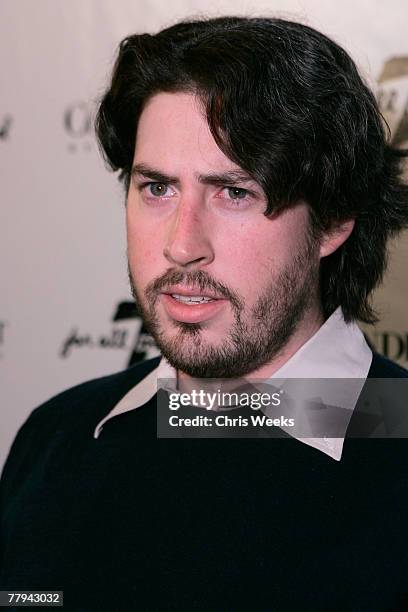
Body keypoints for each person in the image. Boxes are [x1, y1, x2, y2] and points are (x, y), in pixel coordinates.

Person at [1, 15, 408, 611]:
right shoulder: (56, 437)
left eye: (234, 192)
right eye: (157, 188)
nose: (181, 243)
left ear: (334, 219)